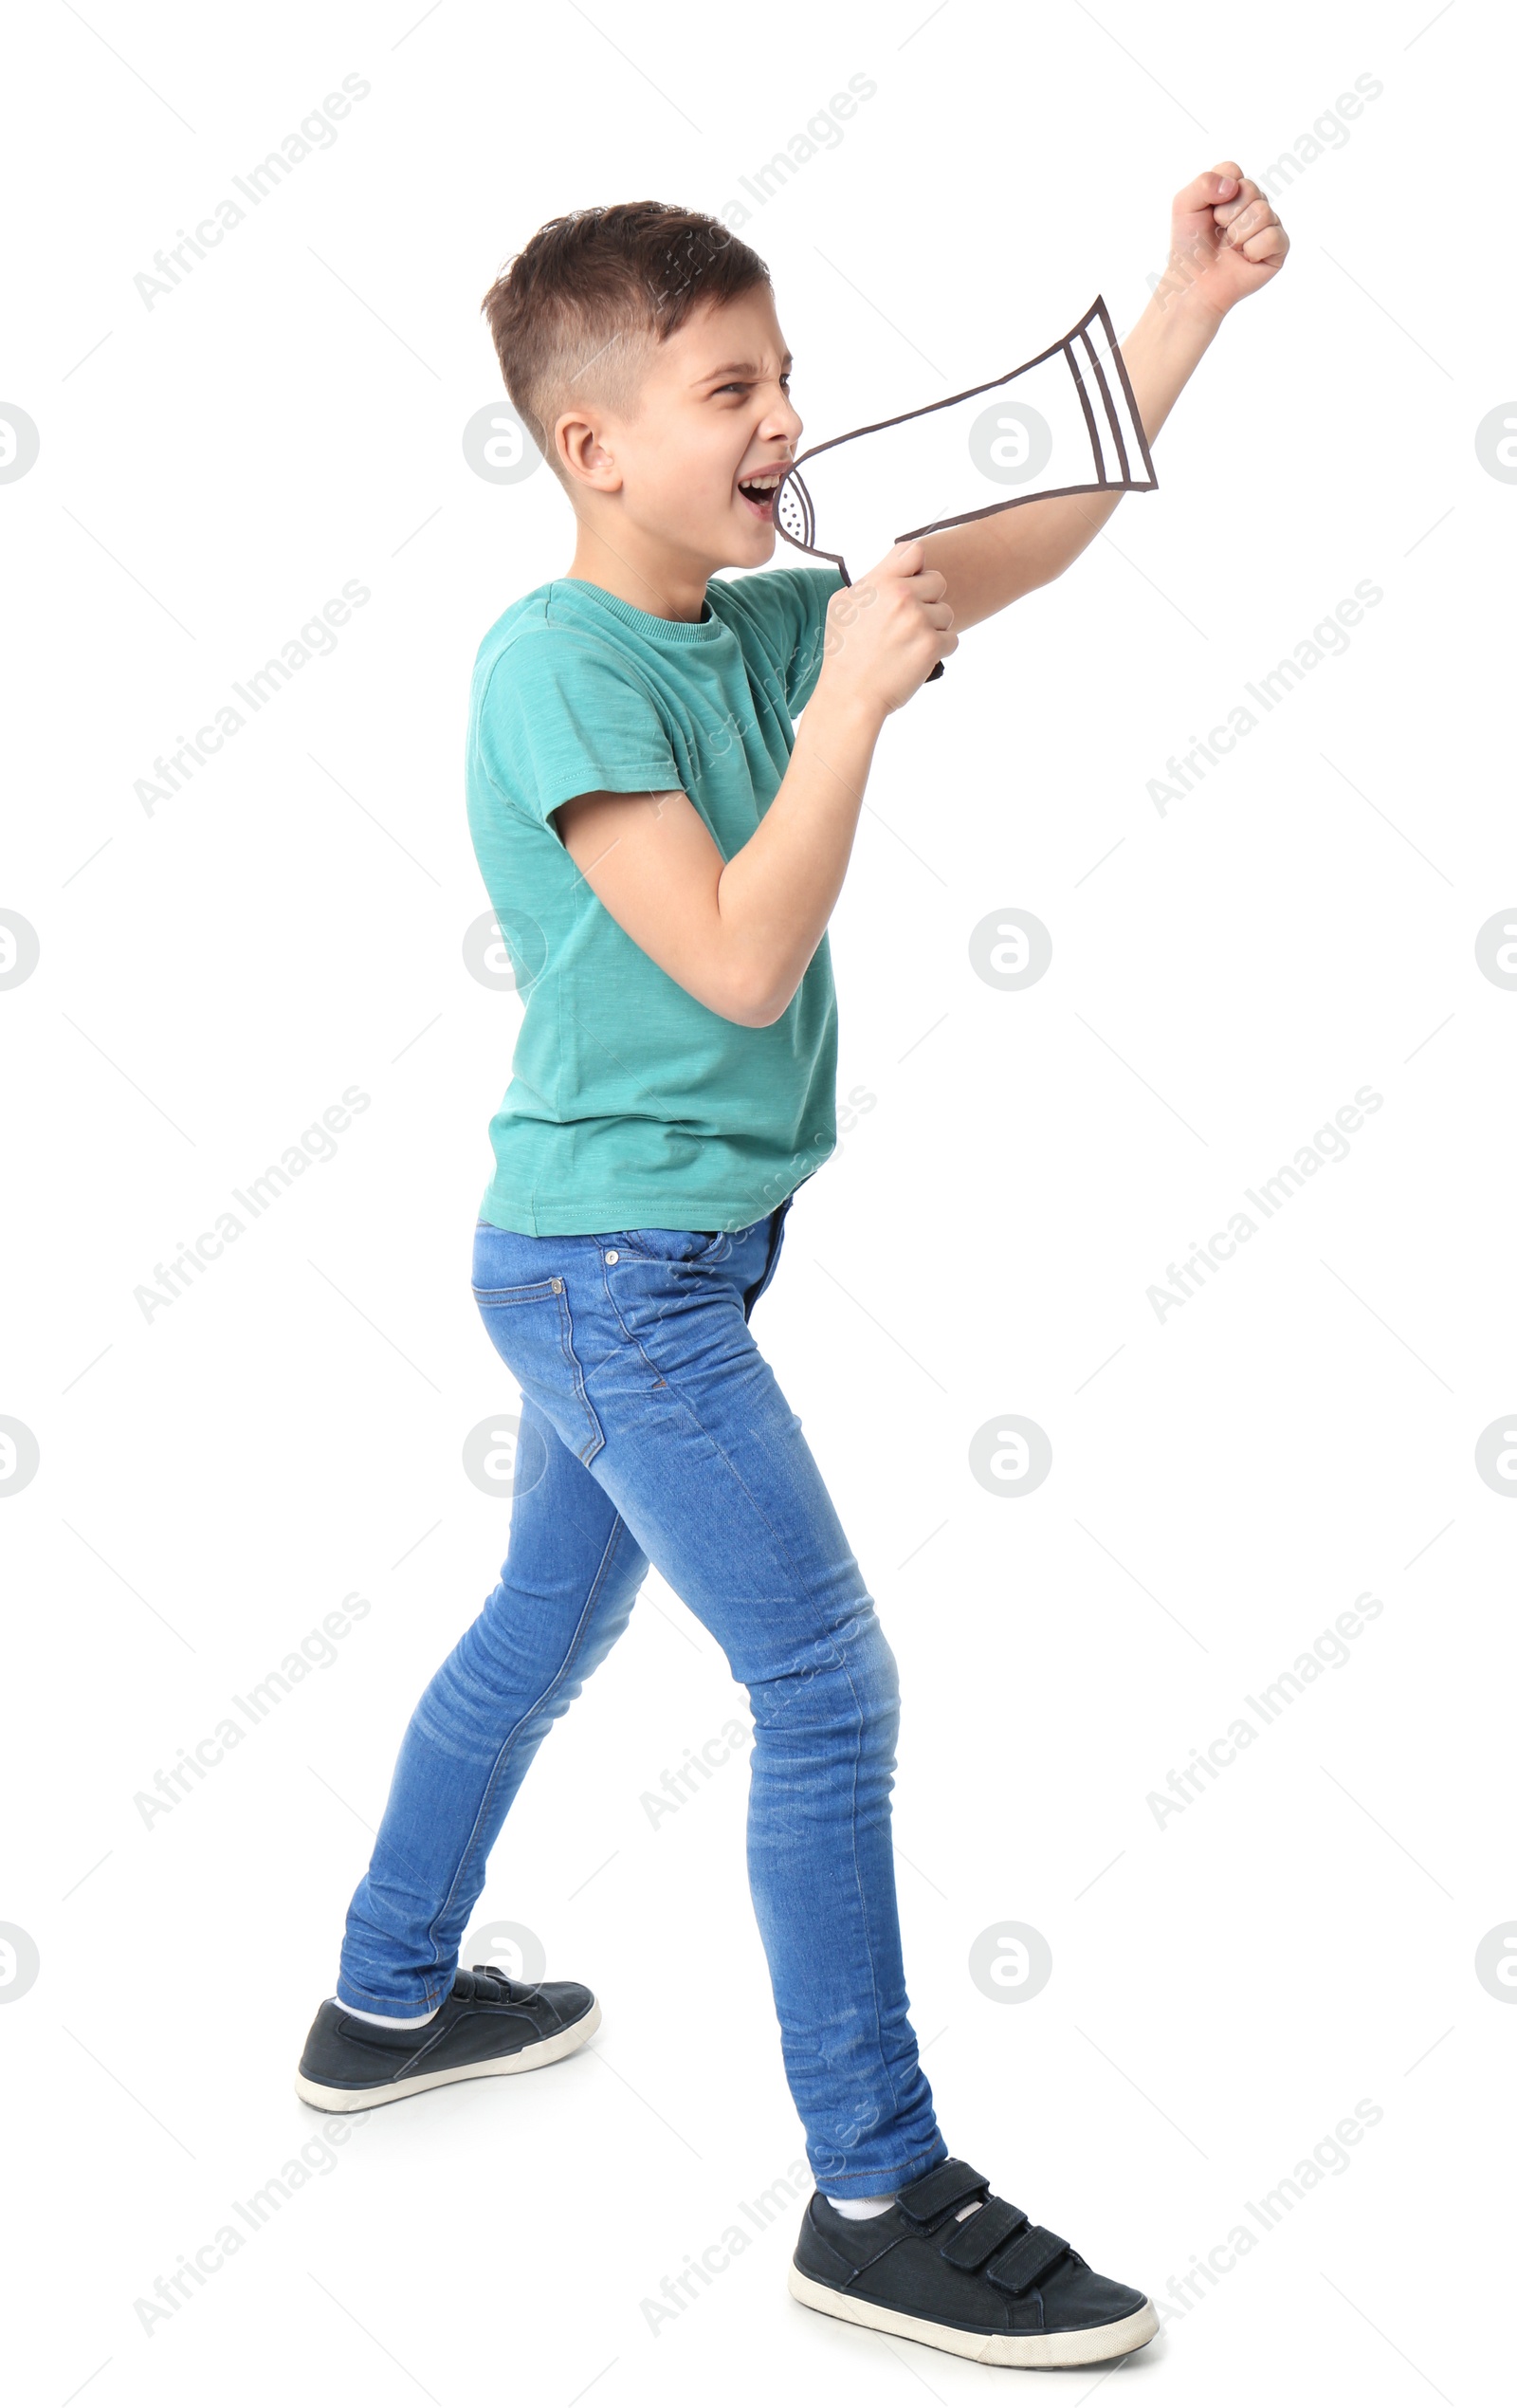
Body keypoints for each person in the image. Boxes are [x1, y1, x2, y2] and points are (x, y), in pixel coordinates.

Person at [295, 175, 1288, 2367]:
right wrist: (845, 696)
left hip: (657, 1260)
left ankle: (382, 2000)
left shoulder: (752, 622)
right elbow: (736, 958)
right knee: (824, 1692)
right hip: (609, 1275)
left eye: (781, 376)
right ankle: (872, 2187)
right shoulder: (552, 666)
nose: (781, 418)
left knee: (543, 1617)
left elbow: (1008, 544)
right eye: (728, 387)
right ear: (596, 449)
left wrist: (1181, 310)